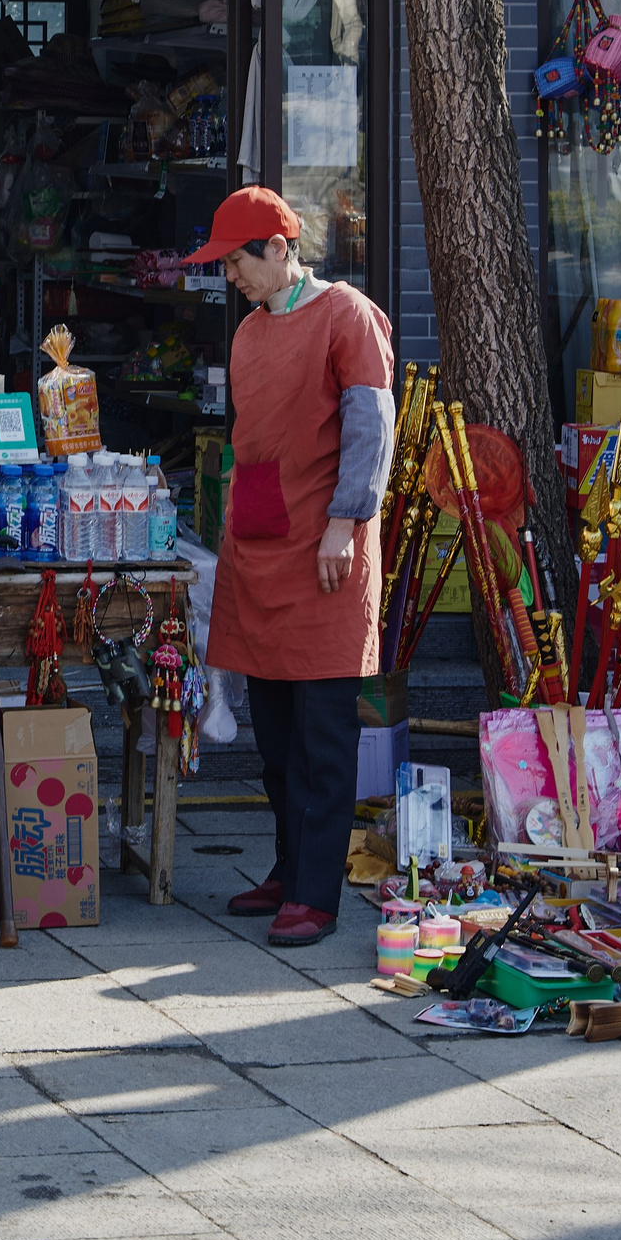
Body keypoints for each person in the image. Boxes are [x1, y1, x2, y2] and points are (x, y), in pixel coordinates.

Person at [182, 187, 393, 948]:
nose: (228, 275)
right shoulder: (245, 336)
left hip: (325, 550)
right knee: (273, 732)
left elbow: (371, 425)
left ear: (277, 247)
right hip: (258, 545)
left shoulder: (347, 315)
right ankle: (287, 864)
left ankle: (317, 890)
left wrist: (346, 523)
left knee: (322, 734)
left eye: (235, 259)